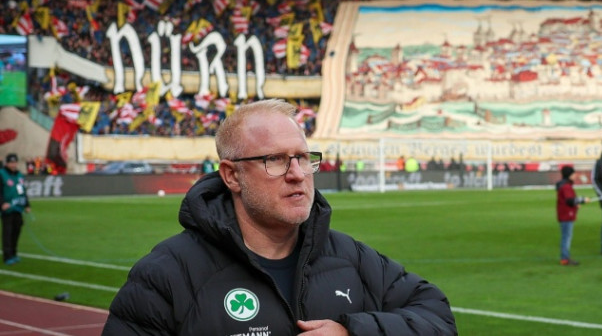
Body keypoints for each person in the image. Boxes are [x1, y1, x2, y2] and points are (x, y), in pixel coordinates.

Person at [103, 99, 456, 335]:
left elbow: (439, 319)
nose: (297, 173)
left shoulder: (351, 259)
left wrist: (354, 331)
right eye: (275, 160)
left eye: (303, 158)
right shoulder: (166, 274)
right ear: (231, 176)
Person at [556, 164, 589, 266]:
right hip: (566, 215)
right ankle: (565, 258)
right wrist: (582, 200)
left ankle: (565, 257)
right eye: (573, 173)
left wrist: (577, 204)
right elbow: (570, 200)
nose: (575, 175)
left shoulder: (564, 185)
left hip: (565, 214)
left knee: (566, 236)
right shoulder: (566, 187)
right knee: (566, 237)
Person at [1, 153, 31, 265]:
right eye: (11, 162)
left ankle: (14, 253)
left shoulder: (19, 175)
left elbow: (22, 191)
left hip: (18, 208)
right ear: (7, 163)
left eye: (15, 162)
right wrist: (2, 203)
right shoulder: (2, 174)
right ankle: (7, 256)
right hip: (7, 209)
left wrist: (27, 205)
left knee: (16, 231)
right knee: (7, 232)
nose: (13, 164)